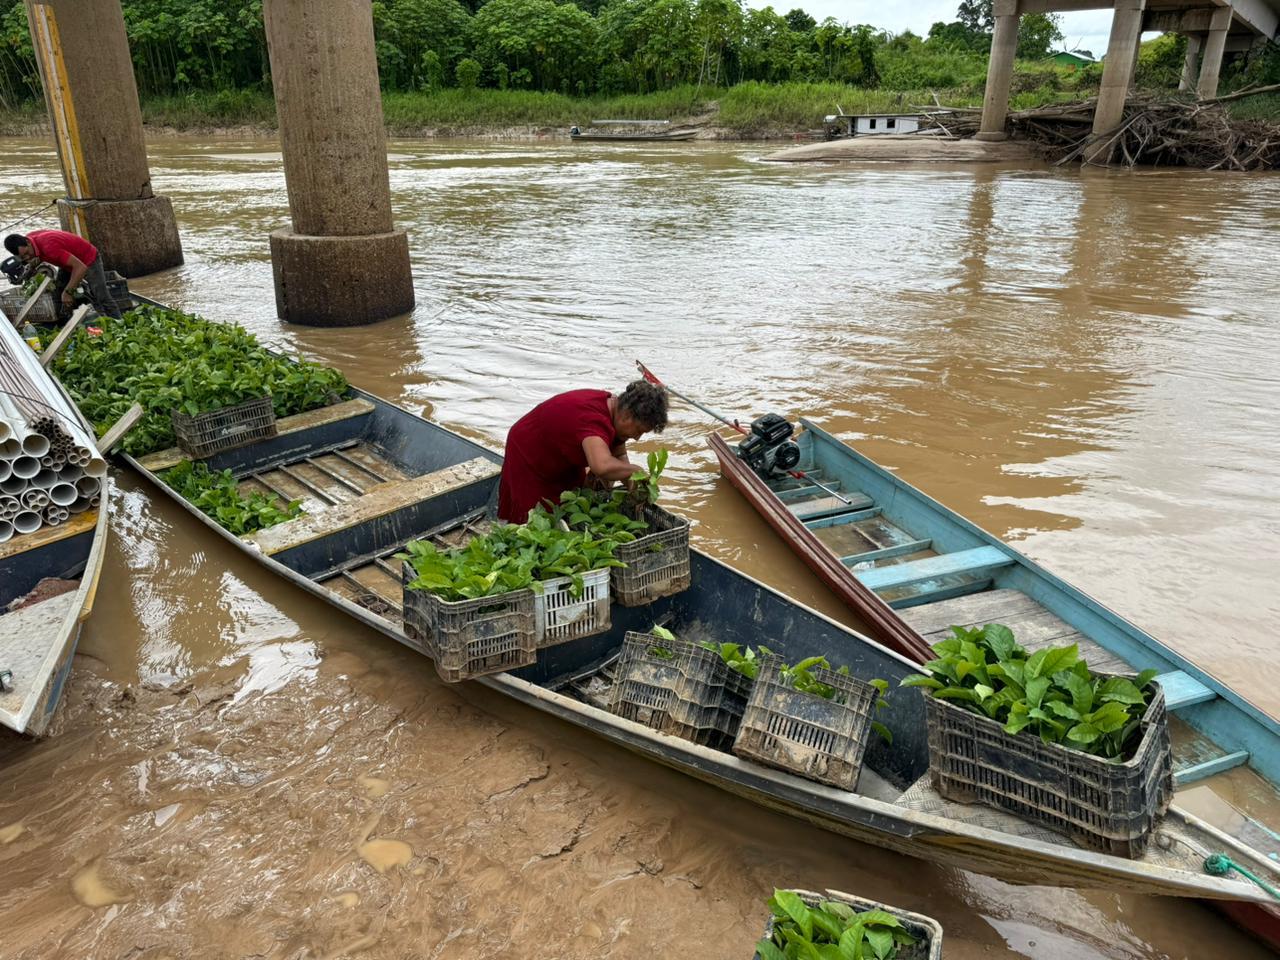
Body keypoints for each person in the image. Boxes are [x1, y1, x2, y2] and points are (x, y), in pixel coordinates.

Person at [497, 379, 669, 523]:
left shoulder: (614, 410)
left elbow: (618, 454)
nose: (637, 438)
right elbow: (601, 466)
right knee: (536, 516)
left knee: (570, 501)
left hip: (562, 454)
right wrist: (635, 471)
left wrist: (633, 485)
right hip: (530, 452)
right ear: (627, 416)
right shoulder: (593, 421)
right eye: (638, 430)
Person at [4, 229, 122, 320]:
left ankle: (119, 323)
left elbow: (81, 267)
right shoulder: (30, 241)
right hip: (68, 260)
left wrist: (69, 292)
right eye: (23, 257)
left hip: (88, 259)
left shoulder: (49, 247)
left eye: (27, 253)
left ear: (28, 242)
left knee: (101, 295)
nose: (27, 258)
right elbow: (38, 255)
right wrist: (30, 269)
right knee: (59, 290)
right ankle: (67, 320)